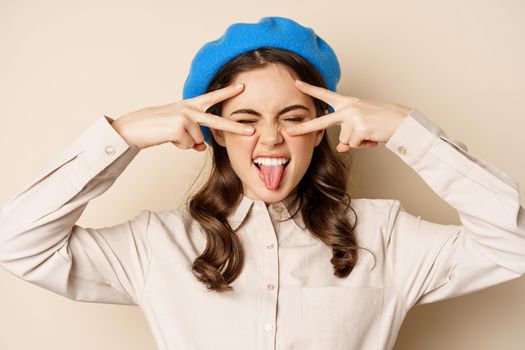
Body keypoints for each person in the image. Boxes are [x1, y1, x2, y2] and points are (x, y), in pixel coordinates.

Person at [0, 16, 524, 350]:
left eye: (294, 117)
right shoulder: (156, 245)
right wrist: (122, 136)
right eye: (245, 118)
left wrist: (412, 133)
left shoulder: (385, 238)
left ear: (321, 129)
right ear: (215, 132)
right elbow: (18, 244)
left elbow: (514, 244)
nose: (270, 138)